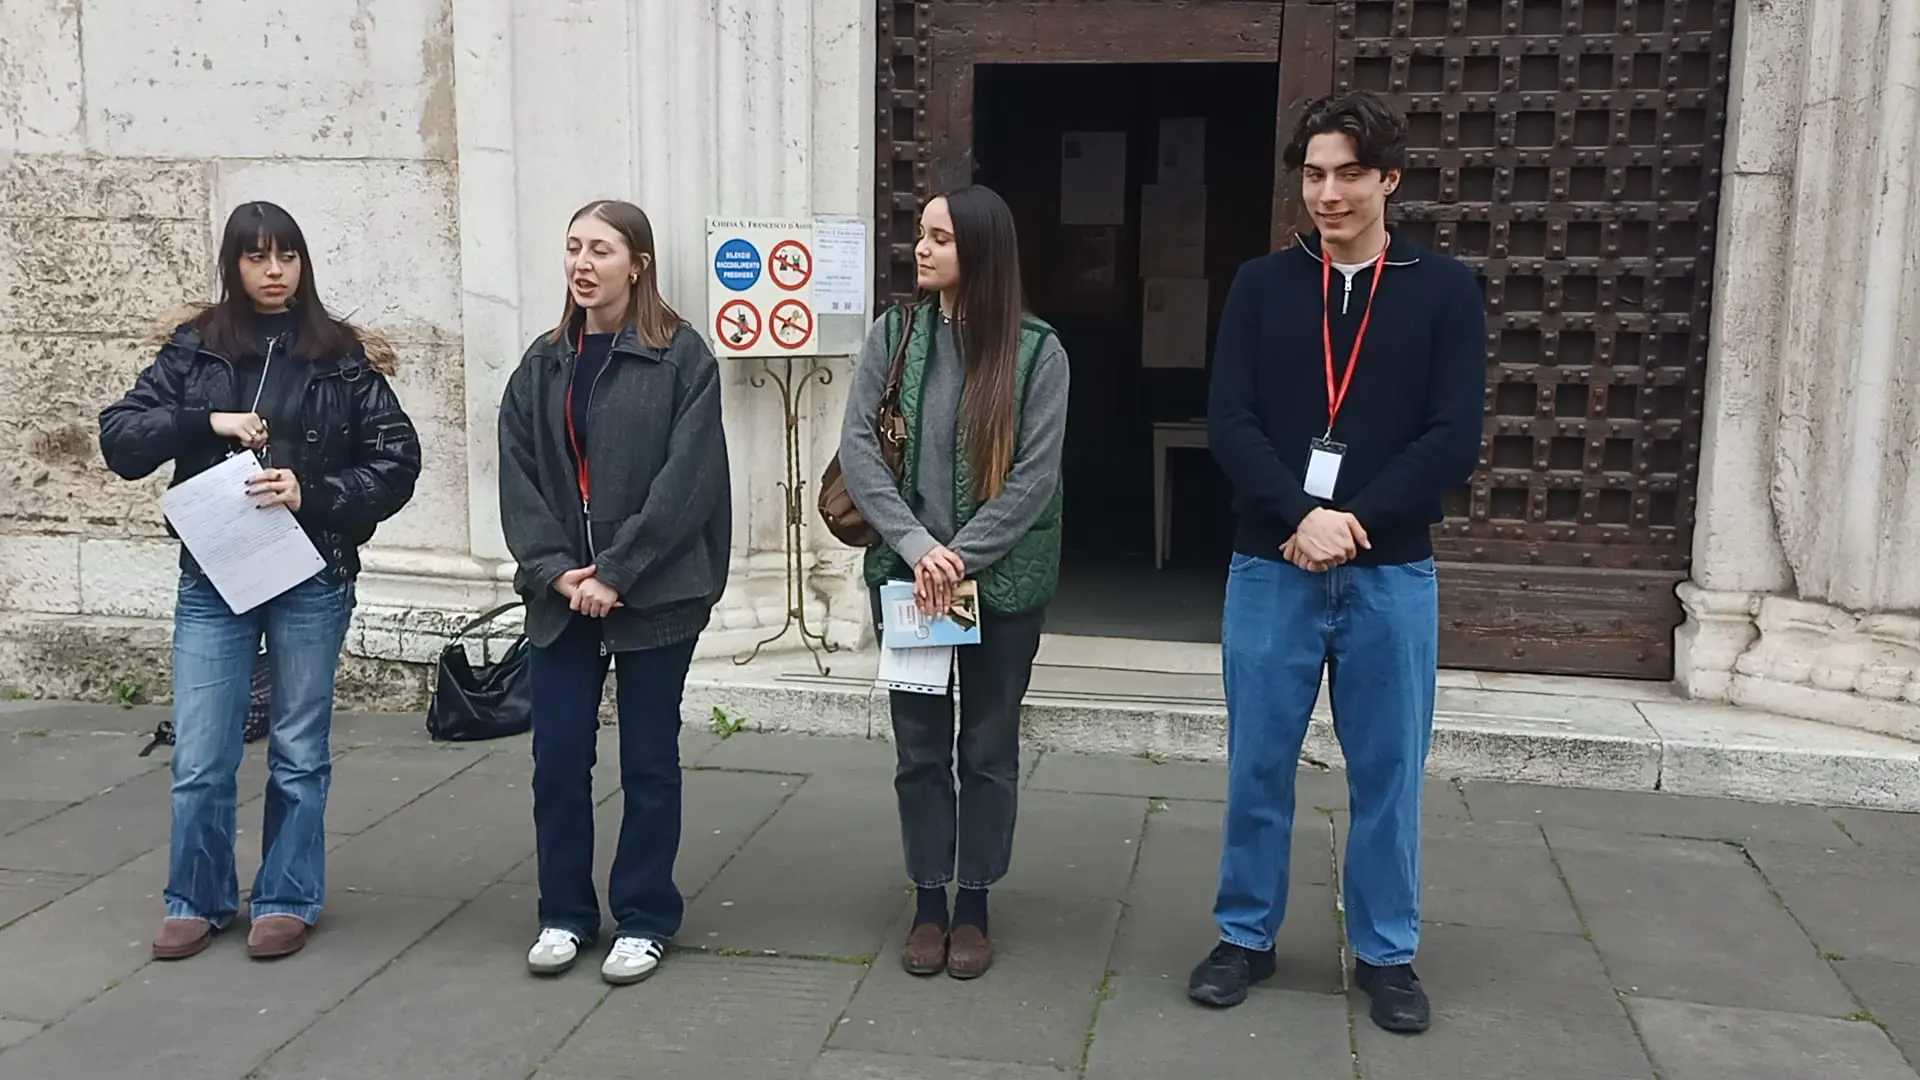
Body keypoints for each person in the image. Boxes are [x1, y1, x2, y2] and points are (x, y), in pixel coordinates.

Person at [1186, 91, 1487, 1032]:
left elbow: (1453, 437)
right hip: (1271, 563)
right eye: (1314, 175)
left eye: (1350, 174)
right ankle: (1245, 935)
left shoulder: (1443, 290)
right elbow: (1229, 420)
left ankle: (1388, 952)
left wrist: (1349, 521)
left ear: (1389, 178)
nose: (1329, 194)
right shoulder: (1261, 286)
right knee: (1257, 764)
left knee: (1390, 770)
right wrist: (1298, 514)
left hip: (1390, 571)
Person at [99, 200, 422, 962]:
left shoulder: (339, 354)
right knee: (202, 751)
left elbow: (395, 461)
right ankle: (197, 897)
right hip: (214, 574)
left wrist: (310, 491)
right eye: (257, 257)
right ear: (233, 264)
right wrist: (205, 422)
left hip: (311, 571)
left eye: (287, 256)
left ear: (303, 264)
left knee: (299, 747)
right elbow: (120, 437)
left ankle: (286, 895)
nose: (274, 271)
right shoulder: (198, 349)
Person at [837, 185, 1070, 980]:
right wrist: (914, 545)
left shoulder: (1038, 353)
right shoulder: (895, 336)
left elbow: (1035, 478)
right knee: (920, 746)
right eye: (921, 235)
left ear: (982, 251)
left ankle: (975, 899)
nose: (921, 249)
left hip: (999, 581)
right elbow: (861, 451)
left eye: (939, 238)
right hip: (913, 581)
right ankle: (928, 897)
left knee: (990, 746)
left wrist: (960, 556)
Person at [498, 199, 730, 986]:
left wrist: (618, 570)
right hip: (563, 597)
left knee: (649, 761)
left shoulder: (682, 360)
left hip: (655, 594)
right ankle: (563, 912)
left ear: (639, 264)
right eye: (573, 248)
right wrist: (555, 568)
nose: (583, 263)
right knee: (558, 758)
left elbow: (687, 484)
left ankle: (644, 915)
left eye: (601, 248)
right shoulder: (542, 363)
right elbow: (519, 478)